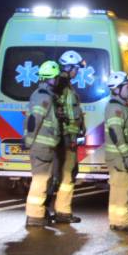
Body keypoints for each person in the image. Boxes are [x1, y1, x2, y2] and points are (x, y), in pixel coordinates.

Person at [45, 49, 86, 224]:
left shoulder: (64, 85)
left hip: (65, 137)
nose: (77, 72)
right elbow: (63, 114)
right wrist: (70, 136)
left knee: (63, 175)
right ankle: (58, 211)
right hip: (64, 138)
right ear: (68, 67)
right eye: (75, 68)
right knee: (64, 175)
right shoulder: (61, 86)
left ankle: (57, 211)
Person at [24, 60, 65, 228]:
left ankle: (37, 213)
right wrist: (28, 140)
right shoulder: (43, 96)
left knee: (43, 180)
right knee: (40, 181)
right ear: (51, 79)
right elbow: (35, 119)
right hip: (41, 146)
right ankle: (34, 215)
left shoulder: (44, 95)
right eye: (55, 78)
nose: (57, 81)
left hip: (44, 145)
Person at [104, 71, 128, 233]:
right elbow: (116, 132)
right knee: (124, 188)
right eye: (127, 86)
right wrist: (127, 154)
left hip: (117, 155)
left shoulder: (118, 107)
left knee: (117, 188)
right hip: (120, 156)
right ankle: (124, 221)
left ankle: (115, 220)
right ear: (118, 89)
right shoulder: (116, 109)